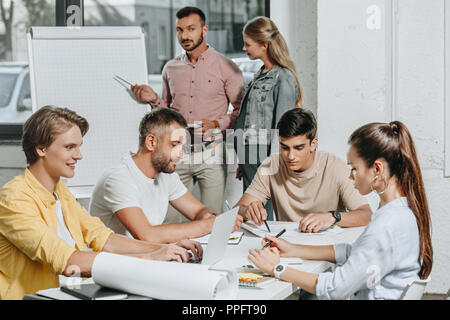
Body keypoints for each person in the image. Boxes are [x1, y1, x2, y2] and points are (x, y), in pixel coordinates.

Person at [0, 106, 200, 300]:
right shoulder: (14, 199)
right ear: (41, 149)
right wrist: (147, 260)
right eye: (70, 147)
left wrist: (162, 249)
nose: (79, 155)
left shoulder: (60, 191)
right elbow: (67, 260)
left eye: (79, 147)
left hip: (74, 292)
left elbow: (105, 239)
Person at [248, 121, 433, 300]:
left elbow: (335, 288)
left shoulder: (387, 224)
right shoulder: (399, 210)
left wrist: (276, 269)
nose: (350, 175)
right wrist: (293, 249)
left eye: (354, 168)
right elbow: (352, 252)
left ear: (377, 169)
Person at [131, 6, 244, 221]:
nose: (185, 36)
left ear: (204, 30)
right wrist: (153, 99)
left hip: (211, 154)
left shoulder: (227, 67)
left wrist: (217, 124)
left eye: (191, 29)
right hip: (177, 154)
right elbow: (166, 111)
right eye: (180, 30)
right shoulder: (170, 68)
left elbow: (241, 112)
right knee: (170, 218)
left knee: (212, 219)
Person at [90, 108, 243, 243]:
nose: (181, 154)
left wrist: (215, 219)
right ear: (151, 142)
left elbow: (197, 211)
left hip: (145, 258)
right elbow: (147, 235)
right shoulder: (118, 178)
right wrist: (209, 225)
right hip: (116, 266)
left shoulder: (167, 176)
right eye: (175, 144)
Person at [236, 108, 372, 232]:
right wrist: (247, 210)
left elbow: (366, 215)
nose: (290, 156)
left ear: (313, 144)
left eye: (298, 148)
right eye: (284, 147)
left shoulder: (335, 166)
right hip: (287, 244)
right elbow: (237, 210)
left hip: (326, 246)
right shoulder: (271, 166)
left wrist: (333, 217)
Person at [234, 16, 303, 221]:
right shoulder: (260, 73)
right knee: (251, 210)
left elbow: (283, 127)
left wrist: (276, 163)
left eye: (248, 44)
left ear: (264, 45)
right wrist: (243, 159)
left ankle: (268, 248)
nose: (244, 48)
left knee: (263, 211)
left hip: (265, 156)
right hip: (249, 154)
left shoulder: (284, 78)